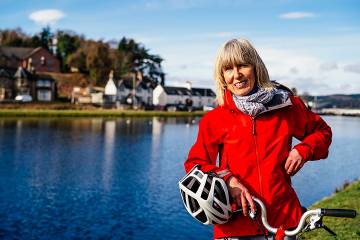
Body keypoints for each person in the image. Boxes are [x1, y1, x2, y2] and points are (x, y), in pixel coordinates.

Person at [183, 38, 332, 240]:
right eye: (228, 69)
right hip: (235, 225)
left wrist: (302, 151)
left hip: (283, 221)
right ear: (222, 75)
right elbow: (196, 164)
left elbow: (322, 132)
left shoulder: (286, 107)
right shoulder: (214, 119)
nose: (236, 75)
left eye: (243, 65)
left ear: (256, 67)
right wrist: (228, 180)